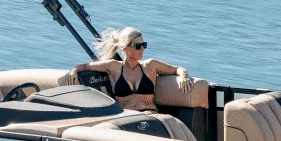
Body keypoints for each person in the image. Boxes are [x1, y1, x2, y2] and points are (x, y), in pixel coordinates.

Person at [61, 27, 192, 112]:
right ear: (125, 47)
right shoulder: (113, 67)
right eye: (138, 46)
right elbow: (84, 66)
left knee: (178, 128)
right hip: (128, 117)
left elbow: (177, 69)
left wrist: (184, 76)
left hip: (151, 114)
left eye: (144, 45)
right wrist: (73, 71)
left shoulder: (150, 66)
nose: (142, 49)